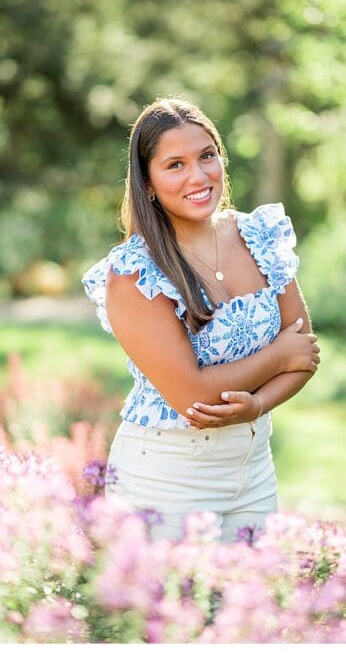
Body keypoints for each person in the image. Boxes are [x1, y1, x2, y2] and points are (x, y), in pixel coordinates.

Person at [82, 97, 320, 542]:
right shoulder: (135, 275)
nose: (198, 176)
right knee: (174, 610)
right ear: (148, 183)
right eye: (175, 165)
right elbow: (191, 396)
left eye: (206, 156)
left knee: (255, 608)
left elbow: (305, 354)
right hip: (166, 480)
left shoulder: (259, 236)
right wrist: (278, 356)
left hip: (253, 472)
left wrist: (258, 405)